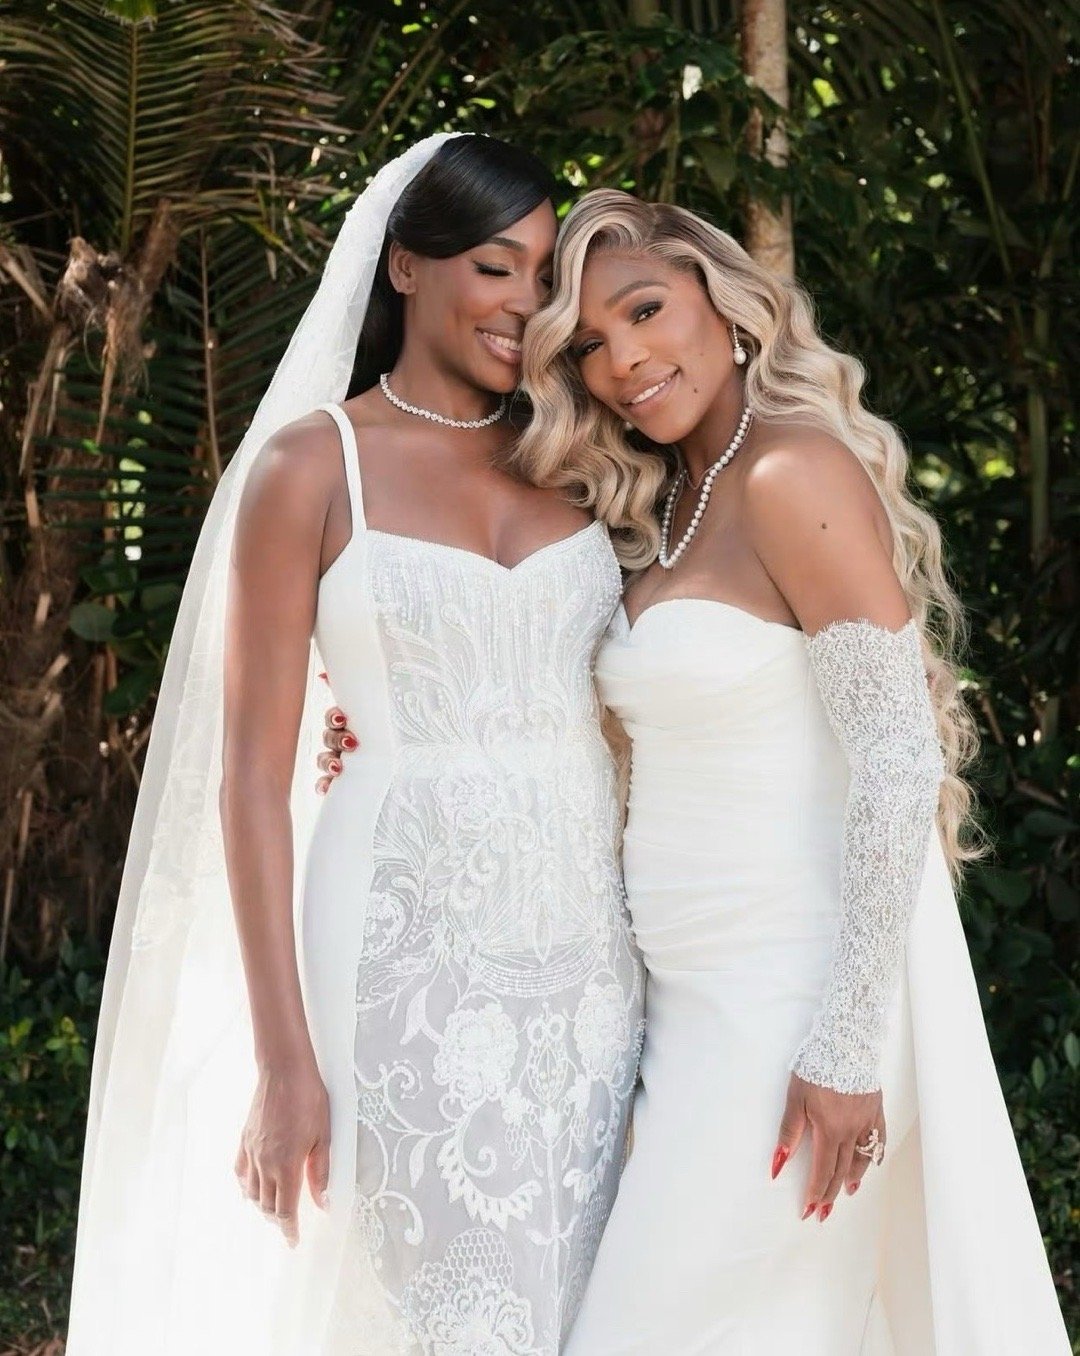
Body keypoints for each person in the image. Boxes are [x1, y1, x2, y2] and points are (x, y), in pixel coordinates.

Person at [323, 187, 1074, 1352]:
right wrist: (388, 725)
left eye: (645, 311)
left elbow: (895, 756)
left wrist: (845, 1045)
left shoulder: (789, 474)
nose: (624, 360)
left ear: (727, 306)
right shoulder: (667, 504)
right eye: (587, 345)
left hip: (790, 1006)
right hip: (677, 1010)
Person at [65, 136, 643, 1356]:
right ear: (405, 267)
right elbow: (249, 781)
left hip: (588, 959)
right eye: (495, 266)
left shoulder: (581, 451)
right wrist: (284, 1061)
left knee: (585, 1286)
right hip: (398, 949)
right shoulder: (311, 465)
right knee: (426, 1298)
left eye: (545, 276)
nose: (525, 302)